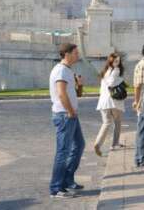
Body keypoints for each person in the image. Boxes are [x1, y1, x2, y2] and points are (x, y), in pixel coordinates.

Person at [48, 43, 85, 199]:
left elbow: (76, 94)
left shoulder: (68, 70)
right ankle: (56, 188)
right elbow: (61, 94)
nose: (78, 55)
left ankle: (67, 180)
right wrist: (70, 111)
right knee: (63, 151)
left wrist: (79, 85)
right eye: (76, 53)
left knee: (79, 145)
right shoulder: (61, 71)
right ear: (67, 54)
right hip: (65, 115)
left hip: (70, 115)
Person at [93, 52, 126, 157]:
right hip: (114, 101)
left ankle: (98, 143)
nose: (117, 63)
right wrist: (120, 80)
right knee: (117, 122)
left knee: (106, 123)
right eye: (116, 61)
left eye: (118, 61)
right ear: (111, 61)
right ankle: (115, 143)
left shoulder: (105, 71)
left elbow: (104, 86)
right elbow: (111, 83)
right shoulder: (116, 70)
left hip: (103, 101)